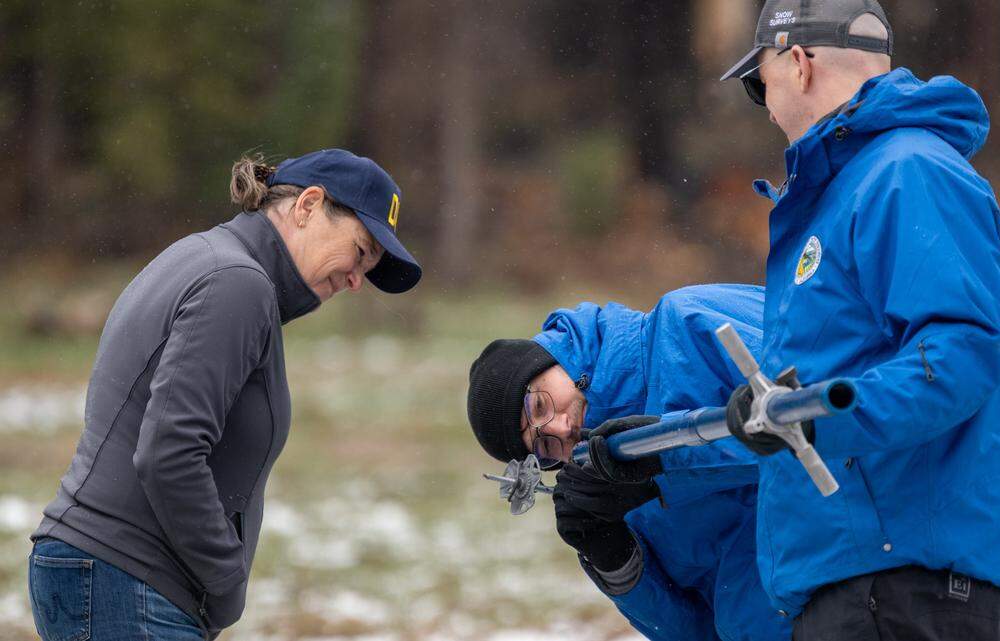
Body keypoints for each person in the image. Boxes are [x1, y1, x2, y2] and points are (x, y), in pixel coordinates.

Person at [718, 1, 1000, 639]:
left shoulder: (905, 172)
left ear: (798, 64)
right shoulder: (851, 187)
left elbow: (960, 354)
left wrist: (812, 417)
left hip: (902, 589)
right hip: (861, 584)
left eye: (760, 83)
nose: (767, 106)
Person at [28, 149, 422, 640]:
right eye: (360, 252)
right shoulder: (237, 285)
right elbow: (167, 451)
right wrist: (225, 577)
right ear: (308, 206)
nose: (356, 280)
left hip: (106, 574)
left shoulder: (207, 258)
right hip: (128, 581)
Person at [468, 284, 790, 640]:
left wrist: (663, 461)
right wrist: (615, 561)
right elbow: (699, 631)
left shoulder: (686, 323)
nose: (561, 428)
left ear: (550, 358)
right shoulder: (615, 501)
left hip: (853, 581)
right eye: (544, 447)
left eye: (541, 406)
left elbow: (824, 417)